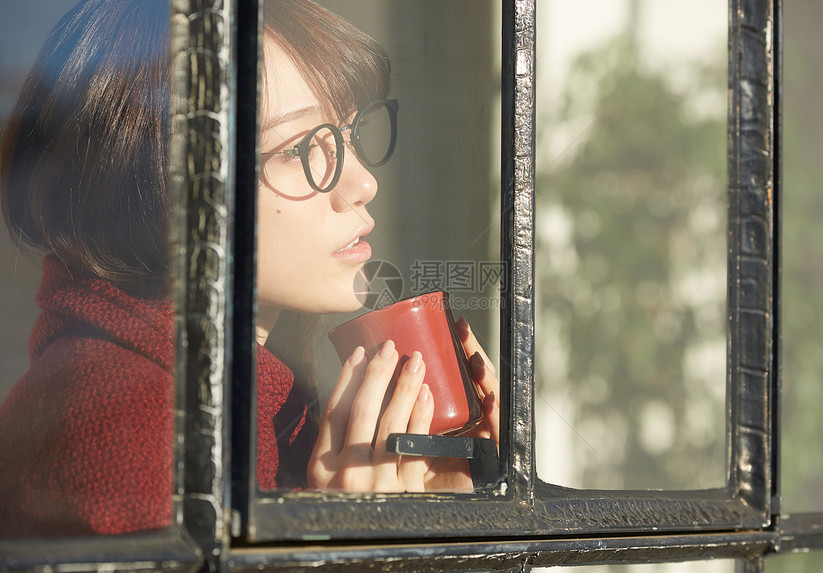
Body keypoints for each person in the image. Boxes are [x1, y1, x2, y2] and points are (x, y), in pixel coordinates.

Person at [0, 0, 499, 538]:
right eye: (300, 148)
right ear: (164, 191)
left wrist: (458, 513)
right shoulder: (134, 431)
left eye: (348, 135)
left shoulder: (256, 393)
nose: (362, 184)